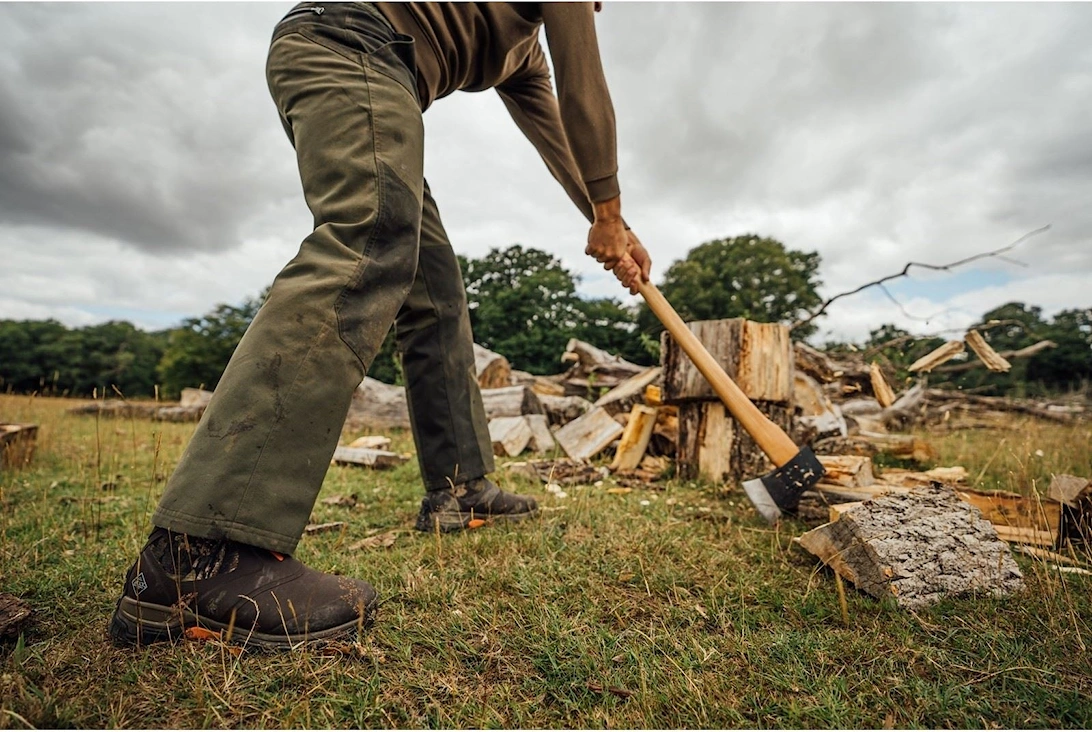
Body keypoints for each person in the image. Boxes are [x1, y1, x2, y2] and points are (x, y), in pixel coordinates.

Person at [109, 1, 651, 650]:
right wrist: (609, 207)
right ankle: (199, 554)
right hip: (349, 45)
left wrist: (612, 222)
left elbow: (563, 134)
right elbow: (587, 84)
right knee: (369, 239)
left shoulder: (522, 53)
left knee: (436, 286)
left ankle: (461, 487)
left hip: (375, 71)